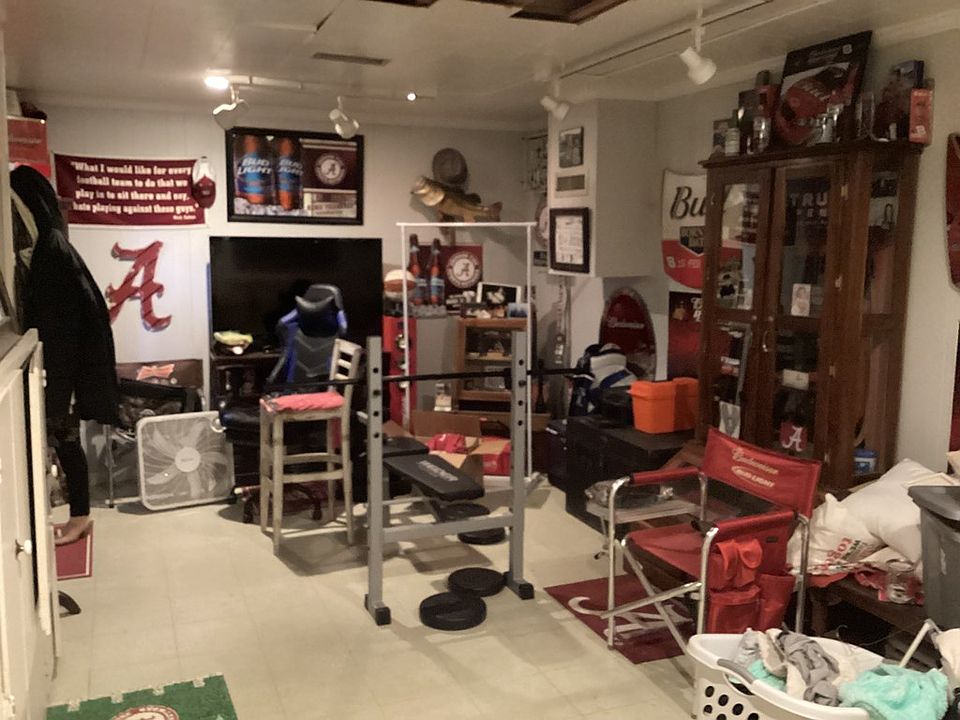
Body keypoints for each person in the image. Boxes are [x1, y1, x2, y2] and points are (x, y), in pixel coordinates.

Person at [11, 166, 119, 545]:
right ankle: (79, 516)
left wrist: (58, 390)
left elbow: (61, 328)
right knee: (67, 442)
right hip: (65, 369)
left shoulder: (49, 252)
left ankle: (80, 516)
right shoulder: (55, 245)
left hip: (61, 371)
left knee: (66, 441)